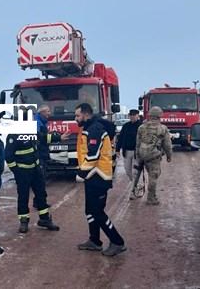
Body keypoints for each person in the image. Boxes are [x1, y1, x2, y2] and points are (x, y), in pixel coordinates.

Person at [74, 103, 126, 257]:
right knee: (90, 211)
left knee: (97, 212)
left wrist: (81, 173)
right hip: (92, 176)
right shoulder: (89, 128)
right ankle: (94, 241)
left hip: (99, 177)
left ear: (85, 115)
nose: (75, 118)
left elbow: (93, 155)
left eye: (77, 115)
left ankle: (117, 242)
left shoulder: (95, 129)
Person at [5, 133, 59, 233]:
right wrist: (17, 171)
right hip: (23, 172)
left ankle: (44, 219)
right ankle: (24, 221)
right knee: (23, 196)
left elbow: (42, 137)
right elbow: (8, 156)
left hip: (35, 170)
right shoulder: (13, 136)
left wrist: (59, 137)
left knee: (41, 194)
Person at [135, 106, 173, 205]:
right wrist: (169, 156)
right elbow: (167, 145)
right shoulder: (162, 128)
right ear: (159, 116)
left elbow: (138, 143)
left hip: (142, 155)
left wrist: (138, 155)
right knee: (153, 176)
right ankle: (151, 198)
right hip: (154, 156)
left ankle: (136, 192)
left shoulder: (141, 127)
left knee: (143, 174)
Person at [35, 105, 65, 179]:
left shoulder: (42, 121)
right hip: (39, 153)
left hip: (42, 152)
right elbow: (41, 137)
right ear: (42, 112)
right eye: (48, 111)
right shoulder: (37, 122)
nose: (50, 113)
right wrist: (58, 138)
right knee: (40, 175)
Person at [116, 110, 142, 196]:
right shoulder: (126, 126)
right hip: (126, 151)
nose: (132, 116)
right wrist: (117, 149)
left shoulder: (141, 126)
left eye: (134, 115)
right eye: (131, 115)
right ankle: (137, 184)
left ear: (138, 115)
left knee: (135, 172)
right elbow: (120, 138)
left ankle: (134, 190)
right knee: (127, 170)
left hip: (137, 153)